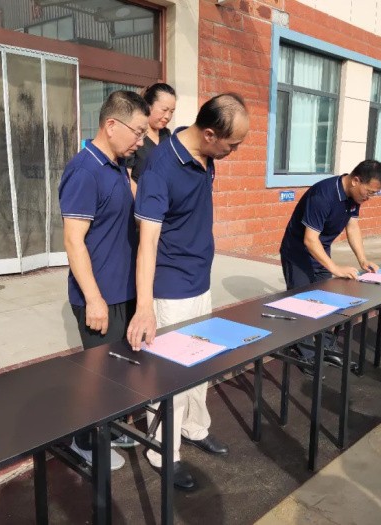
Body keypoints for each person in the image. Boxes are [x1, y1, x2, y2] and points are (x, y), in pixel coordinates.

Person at [126, 93, 250, 491]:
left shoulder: (206, 157)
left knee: (200, 366)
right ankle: (164, 452)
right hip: (170, 290)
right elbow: (147, 242)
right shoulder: (161, 168)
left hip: (199, 282)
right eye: (232, 145)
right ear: (210, 134)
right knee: (169, 377)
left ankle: (195, 428)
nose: (234, 152)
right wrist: (144, 307)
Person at [58, 90, 149, 470]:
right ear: (111, 125)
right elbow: (73, 240)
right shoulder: (84, 171)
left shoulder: (117, 166)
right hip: (99, 297)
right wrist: (94, 299)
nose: (141, 141)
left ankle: (107, 429)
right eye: (138, 132)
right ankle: (82, 441)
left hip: (123, 290)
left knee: (118, 370)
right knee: (96, 375)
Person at [279, 160, 381, 368]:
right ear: (356, 181)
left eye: (374, 193)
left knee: (325, 302)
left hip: (321, 251)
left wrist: (362, 259)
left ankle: (327, 346)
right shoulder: (323, 195)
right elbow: (310, 240)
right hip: (298, 253)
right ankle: (305, 353)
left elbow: (352, 226)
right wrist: (335, 268)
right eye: (369, 192)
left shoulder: (354, 196)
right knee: (302, 303)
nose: (369, 197)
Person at [127, 83, 176, 196]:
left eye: (171, 111)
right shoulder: (134, 134)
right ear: (148, 106)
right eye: (164, 110)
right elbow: (127, 177)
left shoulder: (166, 135)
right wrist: (145, 202)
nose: (168, 116)